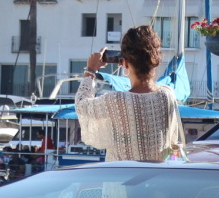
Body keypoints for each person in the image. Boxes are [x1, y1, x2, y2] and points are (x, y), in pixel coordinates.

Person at [75, 25, 185, 162]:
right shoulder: (167, 94)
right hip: (158, 179)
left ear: (125, 63)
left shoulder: (116, 100)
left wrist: (90, 71)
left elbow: (81, 105)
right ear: (155, 60)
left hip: (121, 178)